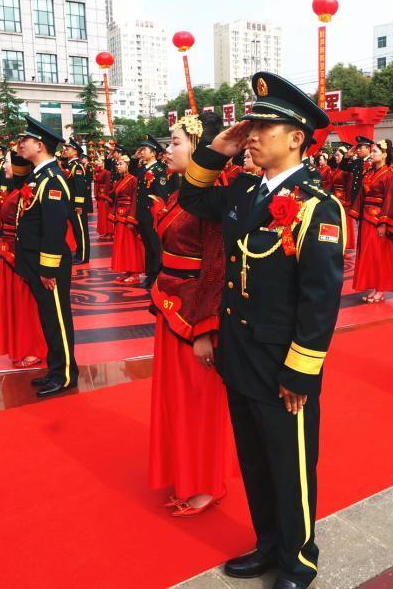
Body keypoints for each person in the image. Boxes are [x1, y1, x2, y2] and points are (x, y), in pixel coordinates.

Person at [179, 71, 344, 589]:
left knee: (290, 465)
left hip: (282, 361)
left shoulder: (317, 207)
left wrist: (302, 370)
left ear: (296, 138)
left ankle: (298, 561)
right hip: (241, 352)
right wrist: (217, 150)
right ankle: (268, 544)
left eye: (263, 129)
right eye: (251, 127)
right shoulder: (244, 191)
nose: (252, 136)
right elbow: (191, 198)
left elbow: (321, 299)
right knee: (254, 458)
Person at [148, 111, 230, 517]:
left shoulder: (215, 194)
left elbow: (216, 266)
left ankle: (206, 484)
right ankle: (184, 474)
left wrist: (203, 330)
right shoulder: (181, 191)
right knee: (177, 402)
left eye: (176, 142)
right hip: (172, 305)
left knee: (198, 403)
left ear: (199, 147)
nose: (168, 149)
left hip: (195, 315)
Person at [15, 116, 80, 398]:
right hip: (35, 259)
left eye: (25, 140)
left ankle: (65, 375)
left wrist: (48, 269)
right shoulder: (38, 175)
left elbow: (54, 230)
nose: (20, 144)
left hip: (47, 263)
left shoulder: (52, 179)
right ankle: (55, 369)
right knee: (48, 318)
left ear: (40, 145)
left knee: (57, 319)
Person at [0, 152, 46, 369]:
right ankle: (22, 345)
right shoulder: (16, 190)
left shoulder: (24, 193)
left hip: (19, 255)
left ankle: (34, 347)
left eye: (7, 162)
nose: (3, 166)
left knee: (26, 303)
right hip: (9, 252)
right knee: (18, 304)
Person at [349, 139, 393, 303]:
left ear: (384, 155)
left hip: (378, 220)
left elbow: (391, 200)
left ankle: (381, 289)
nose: (371, 154)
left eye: (375, 151)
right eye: (371, 151)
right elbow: (361, 195)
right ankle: (374, 288)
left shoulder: (389, 174)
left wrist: (384, 222)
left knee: (380, 255)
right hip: (366, 219)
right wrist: (357, 213)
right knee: (370, 255)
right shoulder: (369, 173)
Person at [133, 135, 170, 289]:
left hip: (152, 214)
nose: (142, 152)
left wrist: (158, 215)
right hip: (142, 213)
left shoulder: (159, 170)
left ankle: (156, 275)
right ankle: (150, 274)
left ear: (153, 153)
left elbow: (161, 195)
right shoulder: (143, 169)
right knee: (147, 245)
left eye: (145, 150)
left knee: (155, 246)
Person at [109, 154, 144, 284]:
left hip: (128, 215)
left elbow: (135, 200)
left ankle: (135, 273)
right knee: (122, 245)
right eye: (117, 164)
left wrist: (131, 218)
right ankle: (128, 271)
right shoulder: (120, 180)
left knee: (131, 245)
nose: (117, 166)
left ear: (128, 165)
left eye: (121, 164)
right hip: (119, 215)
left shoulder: (133, 180)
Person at [61, 137, 91, 264]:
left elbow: (80, 188)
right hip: (70, 204)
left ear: (75, 152)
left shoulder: (77, 167)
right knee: (76, 230)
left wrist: (79, 204)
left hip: (76, 205)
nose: (65, 150)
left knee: (81, 231)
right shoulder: (69, 165)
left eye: (68, 149)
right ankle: (78, 253)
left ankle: (83, 256)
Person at [93, 153, 114, 238]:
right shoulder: (100, 171)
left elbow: (108, 185)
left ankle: (109, 232)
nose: (97, 162)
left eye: (99, 161)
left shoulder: (107, 172)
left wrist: (106, 197)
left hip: (104, 196)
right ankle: (105, 231)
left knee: (106, 214)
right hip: (100, 195)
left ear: (103, 162)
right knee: (102, 215)